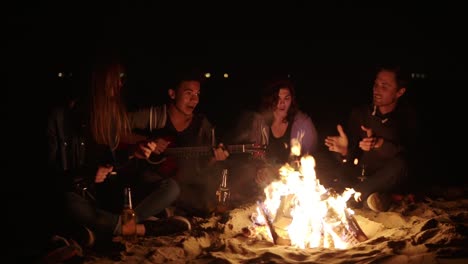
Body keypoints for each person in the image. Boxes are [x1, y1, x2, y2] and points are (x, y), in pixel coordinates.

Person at [46, 51, 189, 255]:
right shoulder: (60, 118)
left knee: (171, 187)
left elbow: (112, 165)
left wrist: (133, 153)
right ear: (99, 81)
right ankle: (143, 229)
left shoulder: (109, 115)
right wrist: (86, 174)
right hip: (79, 196)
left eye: (122, 78)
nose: (120, 84)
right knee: (68, 203)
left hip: (107, 198)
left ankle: (101, 229)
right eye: (116, 78)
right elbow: (48, 179)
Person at [129, 67, 230, 217]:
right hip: (151, 186)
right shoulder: (154, 116)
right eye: (188, 93)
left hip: (185, 189)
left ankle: (166, 214)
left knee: (210, 207)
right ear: (172, 93)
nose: (194, 100)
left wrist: (214, 159)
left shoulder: (202, 126)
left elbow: (202, 169)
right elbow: (113, 129)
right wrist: (145, 141)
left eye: (197, 94)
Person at [324, 64, 421, 212]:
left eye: (384, 86)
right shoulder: (361, 114)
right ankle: (372, 198)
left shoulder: (407, 117)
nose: (377, 89)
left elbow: (407, 156)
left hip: (386, 178)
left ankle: (354, 197)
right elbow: (353, 156)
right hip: (361, 175)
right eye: (376, 84)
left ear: (399, 92)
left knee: (400, 166)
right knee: (334, 168)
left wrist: (379, 144)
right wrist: (344, 151)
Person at [228, 78, 319, 202]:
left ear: (292, 100)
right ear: (270, 100)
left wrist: (277, 171)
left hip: (293, 184)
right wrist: (260, 170)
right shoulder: (259, 122)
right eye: (278, 99)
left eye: (286, 98)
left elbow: (309, 161)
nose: (282, 103)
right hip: (264, 185)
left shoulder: (302, 124)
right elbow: (253, 156)